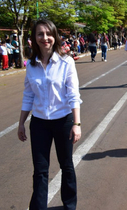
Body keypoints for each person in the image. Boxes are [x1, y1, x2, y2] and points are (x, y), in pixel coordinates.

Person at [17, 19, 82, 210]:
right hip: (39, 123)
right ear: (34, 38)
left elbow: (73, 95)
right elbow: (28, 95)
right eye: (40, 34)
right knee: (40, 171)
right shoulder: (31, 65)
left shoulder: (66, 62)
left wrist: (76, 124)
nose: (45, 38)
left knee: (66, 165)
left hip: (63, 121)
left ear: (54, 36)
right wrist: (21, 123)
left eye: (48, 34)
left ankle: (69, 205)